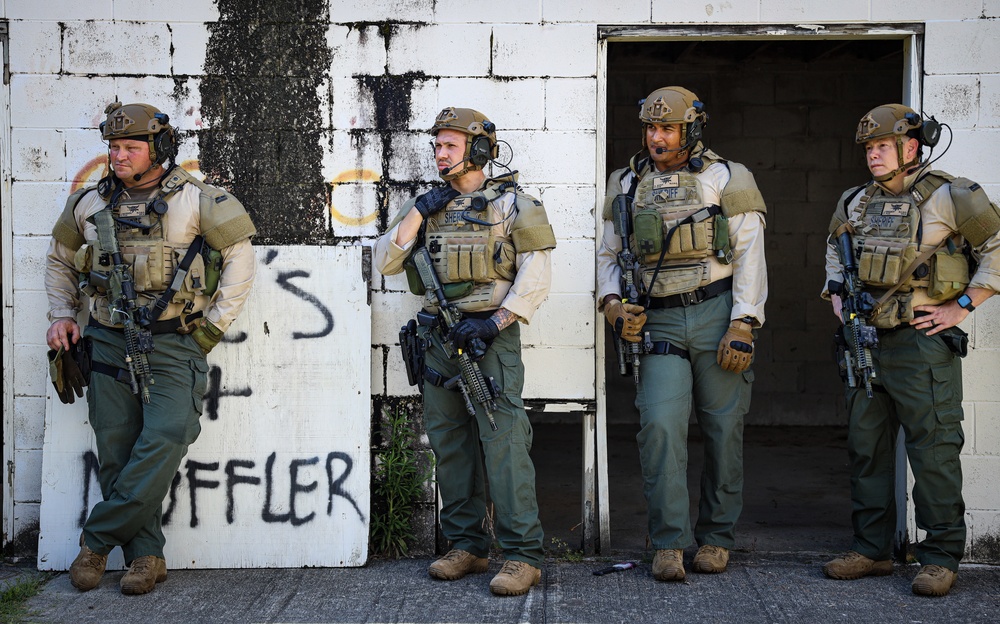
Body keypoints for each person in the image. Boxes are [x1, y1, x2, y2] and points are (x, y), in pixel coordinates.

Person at [45, 102, 257, 594]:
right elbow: (58, 263)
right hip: (106, 339)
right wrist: (61, 315)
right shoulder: (88, 203)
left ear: (158, 148)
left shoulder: (200, 200)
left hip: (172, 342)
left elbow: (240, 264)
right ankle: (145, 557)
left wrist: (210, 331)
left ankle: (95, 541)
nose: (117, 156)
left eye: (130, 148)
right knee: (116, 448)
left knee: (167, 434)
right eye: (113, 147)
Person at [373, 107, 556, 596]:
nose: (439, 154)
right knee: (450, 444)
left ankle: (522, 555)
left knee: (504, 442)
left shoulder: (515, 204)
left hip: (489, 340)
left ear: (478, 150)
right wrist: (418, 210)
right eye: (436, 146)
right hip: (439, 341)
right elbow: (387, 259)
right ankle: (467, 546)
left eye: (449, 145)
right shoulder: (427, 206)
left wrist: (495, 322)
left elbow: (536, 275)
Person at [821, 104, 999, 597]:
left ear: (911, 148)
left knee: (935, 452)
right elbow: (835, 250)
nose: (873, 155)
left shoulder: (952, 195)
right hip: (867, 344)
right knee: (866, 449)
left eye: (882, 146)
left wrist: (961, 306)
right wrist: (837, 295)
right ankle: (872, 550)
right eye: (869, 148)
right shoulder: (854, 200)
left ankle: (941, 557)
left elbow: (998, 247)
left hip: (922, 347)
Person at [596, 87, 768, 581]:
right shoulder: (626, 183)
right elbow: (608, 255)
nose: (656, 137)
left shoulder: (727, 177)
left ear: (690, 130)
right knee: (661, 430)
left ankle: (715, 539)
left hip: (717, 314)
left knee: (723, 431)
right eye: (650, 128)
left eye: (667, 128)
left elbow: (749, 254)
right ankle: (668, 544)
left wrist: (744, 322)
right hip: (657, 321)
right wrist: (612, 306)